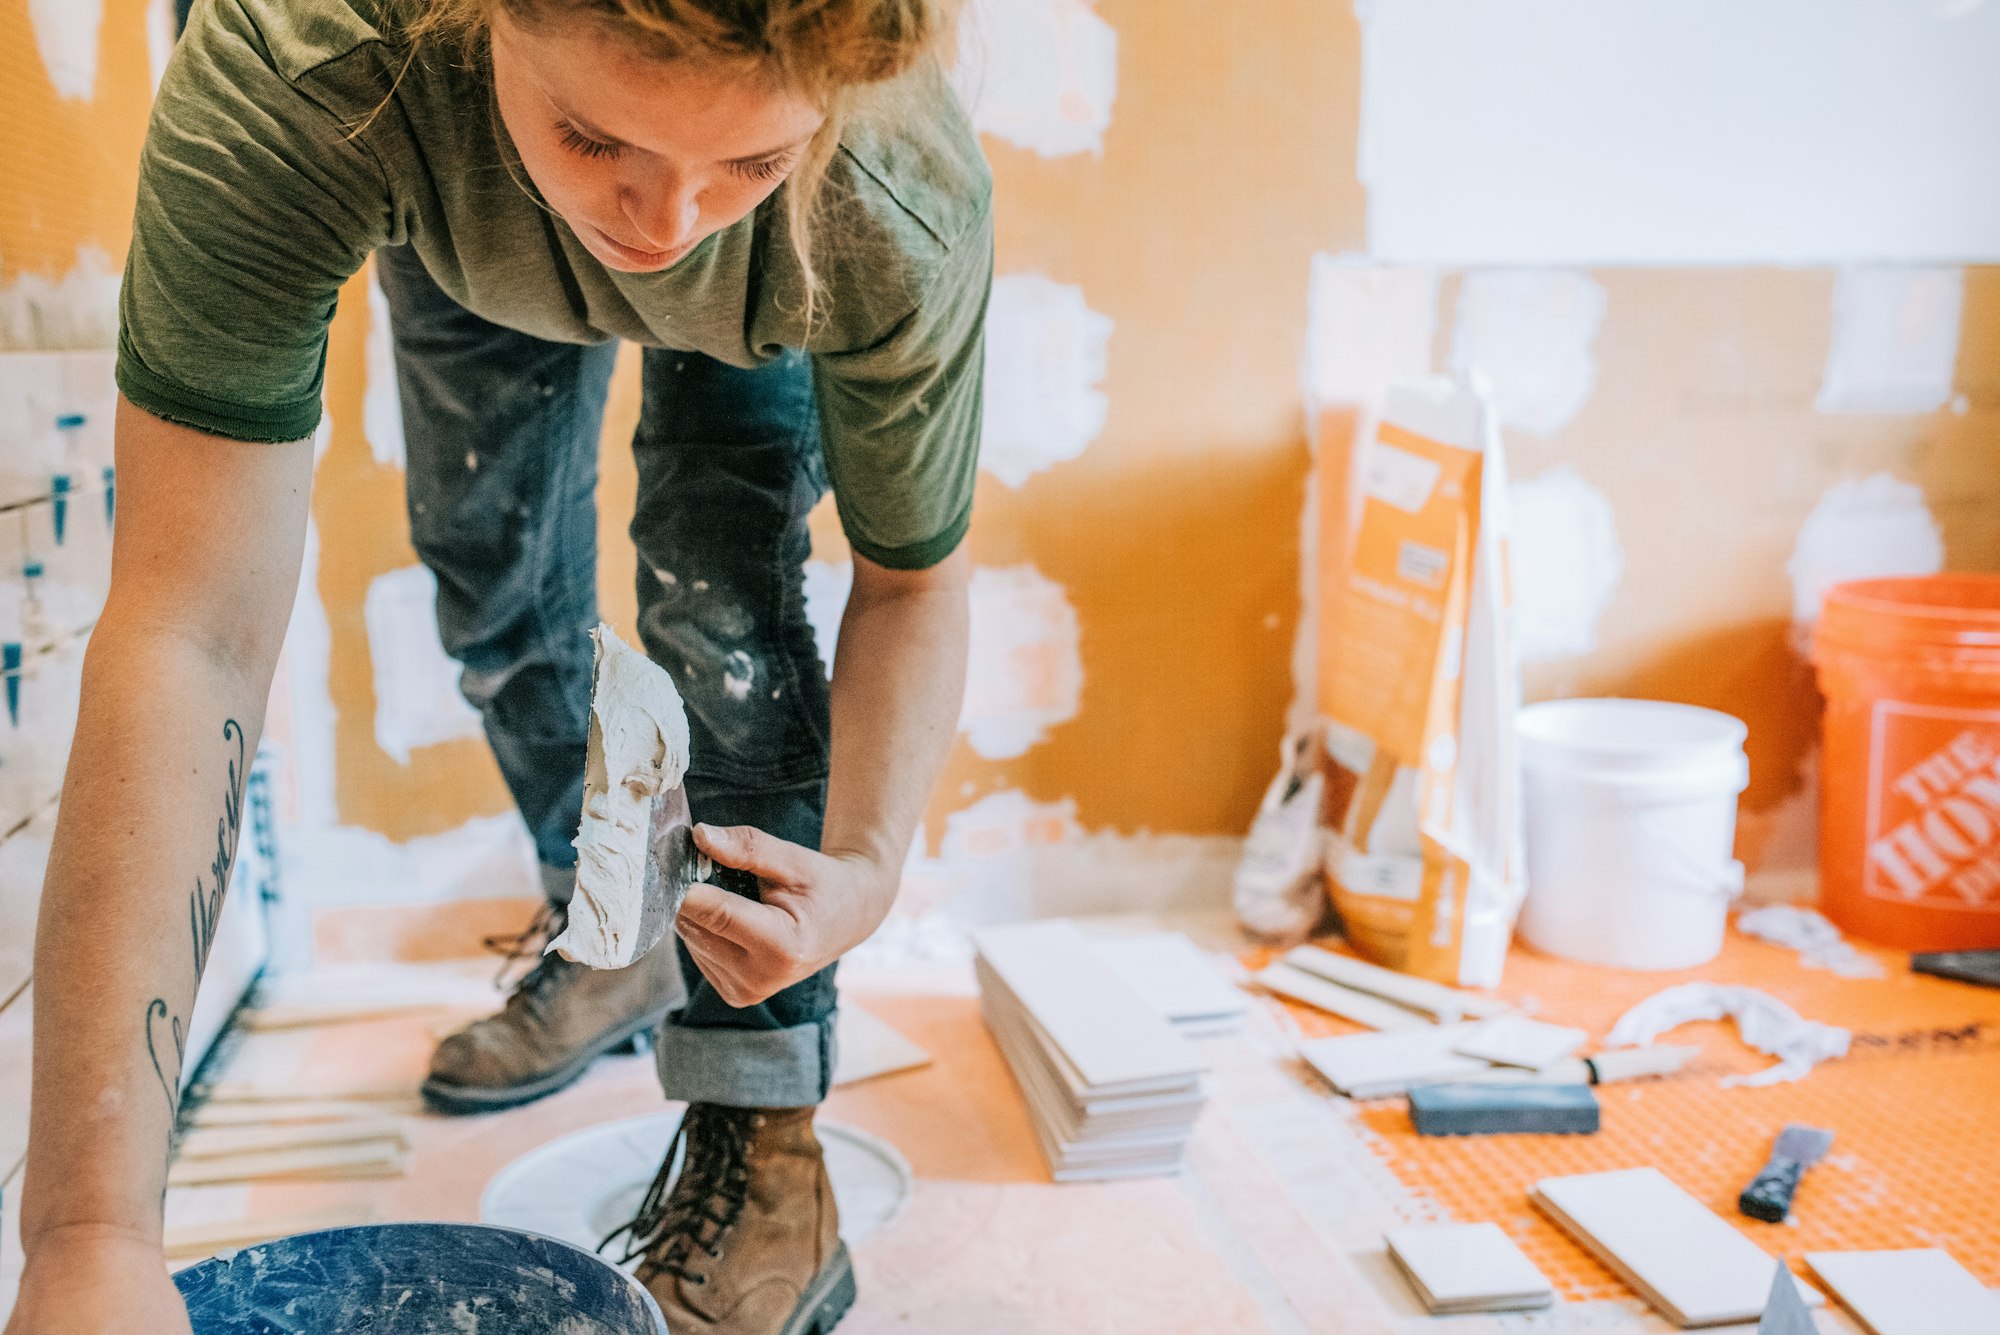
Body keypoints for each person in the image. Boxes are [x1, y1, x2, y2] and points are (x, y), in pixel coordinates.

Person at [5, 0, 989, 1330]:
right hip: (458, 177)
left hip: (783, 244)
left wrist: (865, 869)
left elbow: (913, 582)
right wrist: (88, 1237)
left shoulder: (883, 194)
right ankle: (619, 930)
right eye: (599, 137)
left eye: (741, 164)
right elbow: (189, 632)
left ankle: (767, 1147)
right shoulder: (310, 66)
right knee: (494, 574)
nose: (664, 225)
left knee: (724, 602)